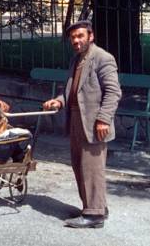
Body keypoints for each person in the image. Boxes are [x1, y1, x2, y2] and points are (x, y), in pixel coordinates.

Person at [42, 19, 122, 229]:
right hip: (77, 120)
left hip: (95, 122)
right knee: (80, 167)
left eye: (80, 36)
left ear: (90, 36)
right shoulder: (76, 60)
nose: (76, 41)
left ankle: (94, 216)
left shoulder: (103, 58)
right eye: (73, 38)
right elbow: (71, 90)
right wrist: (59, 101)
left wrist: (104, 118)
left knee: (92, 168)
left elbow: (113, 92)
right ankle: (95, 207)